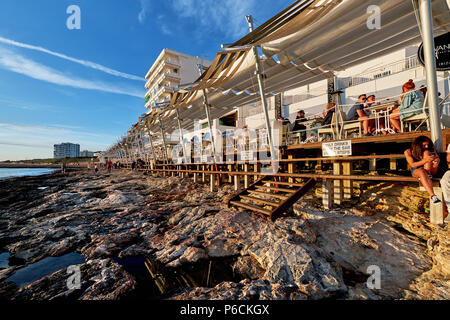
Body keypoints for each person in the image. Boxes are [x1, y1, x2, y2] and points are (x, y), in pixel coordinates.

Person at [404, 136, 441, 203]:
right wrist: (425, 160)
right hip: (417, 169)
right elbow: (412, 164)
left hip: (431, 169)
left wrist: (436, 162)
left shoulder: (430, 149)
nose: (427, 146)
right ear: (418, 145)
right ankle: (433, 196)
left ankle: (427, 175)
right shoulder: (408, 151)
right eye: (424, 145)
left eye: (428, 144)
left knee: (426, 152)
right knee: (421, 172)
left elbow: (437, 157)